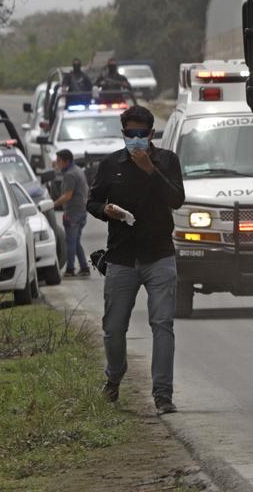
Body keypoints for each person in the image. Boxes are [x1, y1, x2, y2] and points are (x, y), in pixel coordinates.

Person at [86, 105, 185, 415]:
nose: (137, 139)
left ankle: (163, 394)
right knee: (114, 328)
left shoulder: (166, 161)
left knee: (162, 325)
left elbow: (176, 199)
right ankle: (113, 378)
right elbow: (92, 201)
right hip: (122, 257)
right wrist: (105, 210)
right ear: (124, 134)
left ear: (151, 134)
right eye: (131, 134)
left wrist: (149, 170)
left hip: (159, 255)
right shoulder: (110, 164)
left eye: (142, 134)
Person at [52, 148, 90, 277]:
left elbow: (67, 196)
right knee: (75, 241)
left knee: (70, 242)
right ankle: (84, 267)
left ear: (66, 161)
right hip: (81, 211)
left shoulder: (70, 175)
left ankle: (70, 269)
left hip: (73, 213)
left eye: (59, 161)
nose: (57, 164)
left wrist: (53, 204)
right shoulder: (78, 170)